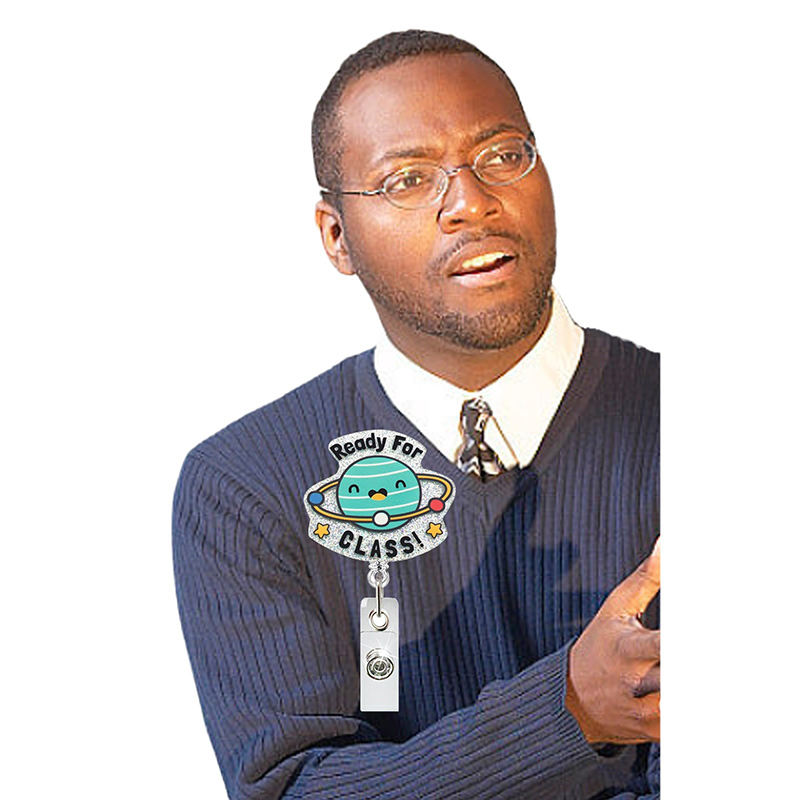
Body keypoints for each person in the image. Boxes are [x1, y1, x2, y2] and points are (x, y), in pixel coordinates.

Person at [173, 30, 660, 800]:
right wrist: (570, 708)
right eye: (407, 178)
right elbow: (295, 790)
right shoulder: (248, 489)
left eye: (502, 154)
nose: (471, 202)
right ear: (337, 237)